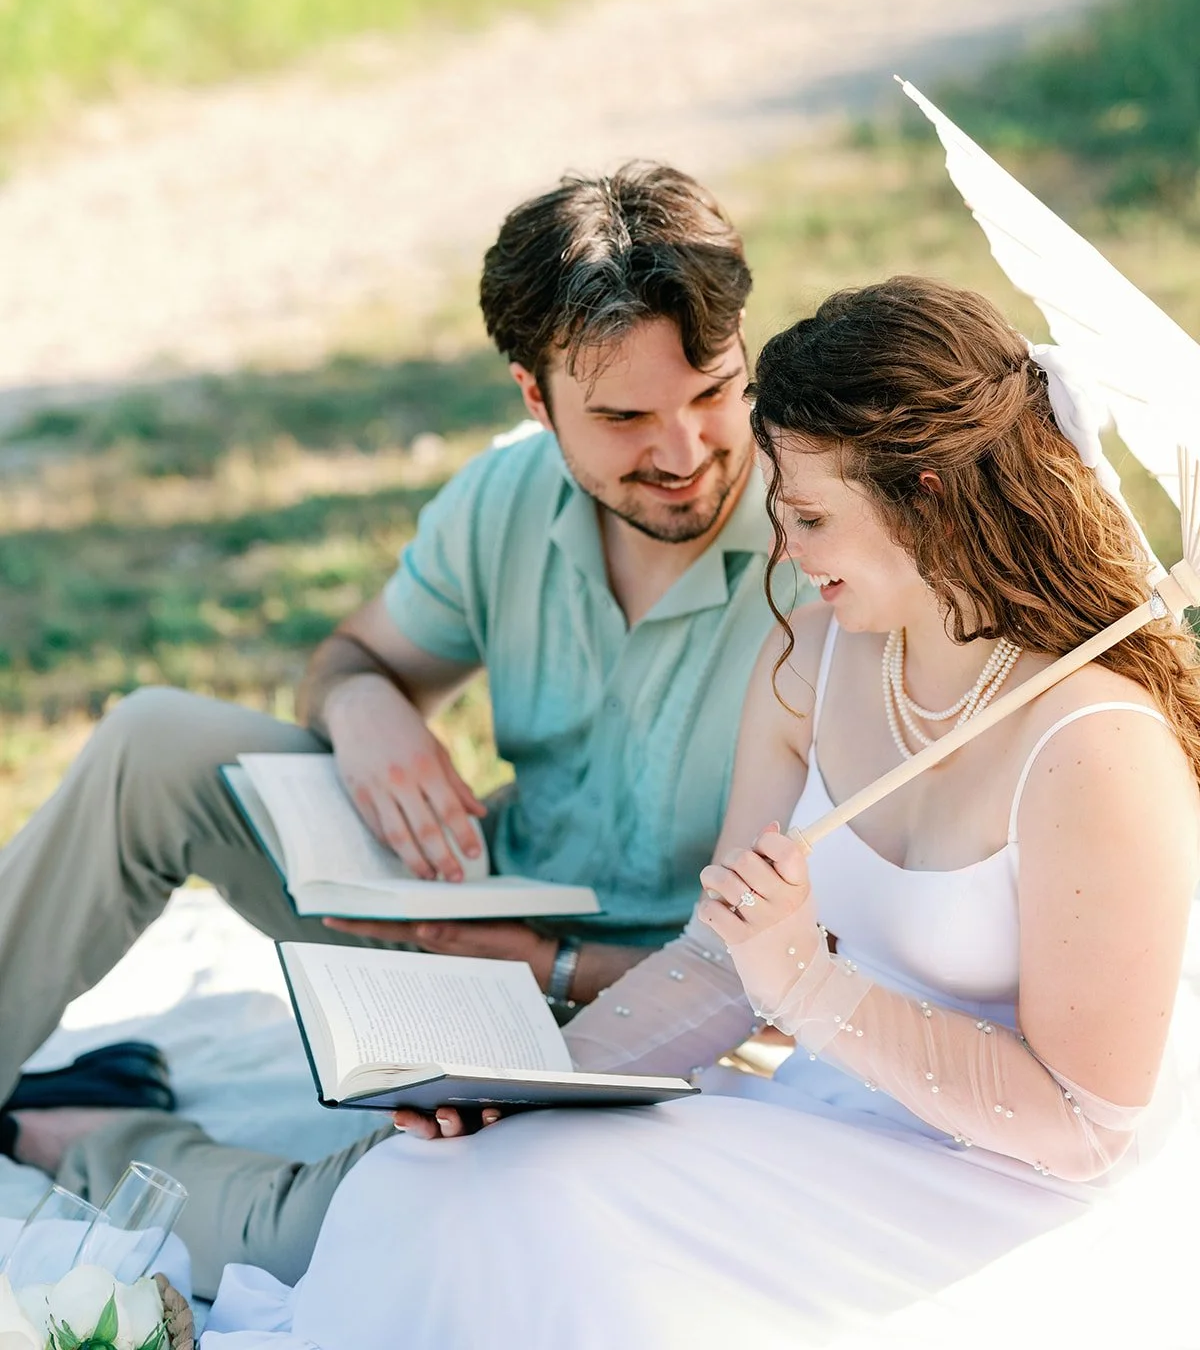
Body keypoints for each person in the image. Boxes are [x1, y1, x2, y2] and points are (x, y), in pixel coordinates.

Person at [202, 276, 1200, 1350]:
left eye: (811, 516)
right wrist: (536, 1089)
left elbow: (1085, 1126)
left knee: (581, 1272)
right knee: (439, 1184)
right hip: (824, 1131)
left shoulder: (1093, 744)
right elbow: (722, 959)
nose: (780, 547)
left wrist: (811, 985)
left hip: (1007, 1205)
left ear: (931, 497)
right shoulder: (814, 651)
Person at [0, 164, 788, 1297]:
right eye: (622, 416)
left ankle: (83, 1137)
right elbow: (352, 657)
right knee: (155, 739)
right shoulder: (506, 498)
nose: (682, 449)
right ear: (535, 394)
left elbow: (805, 969)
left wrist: (558, 966)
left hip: (657, 1019)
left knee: (374, 1228)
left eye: (713, 392)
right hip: (461, 936)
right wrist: (364, 705)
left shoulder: (819, 542)